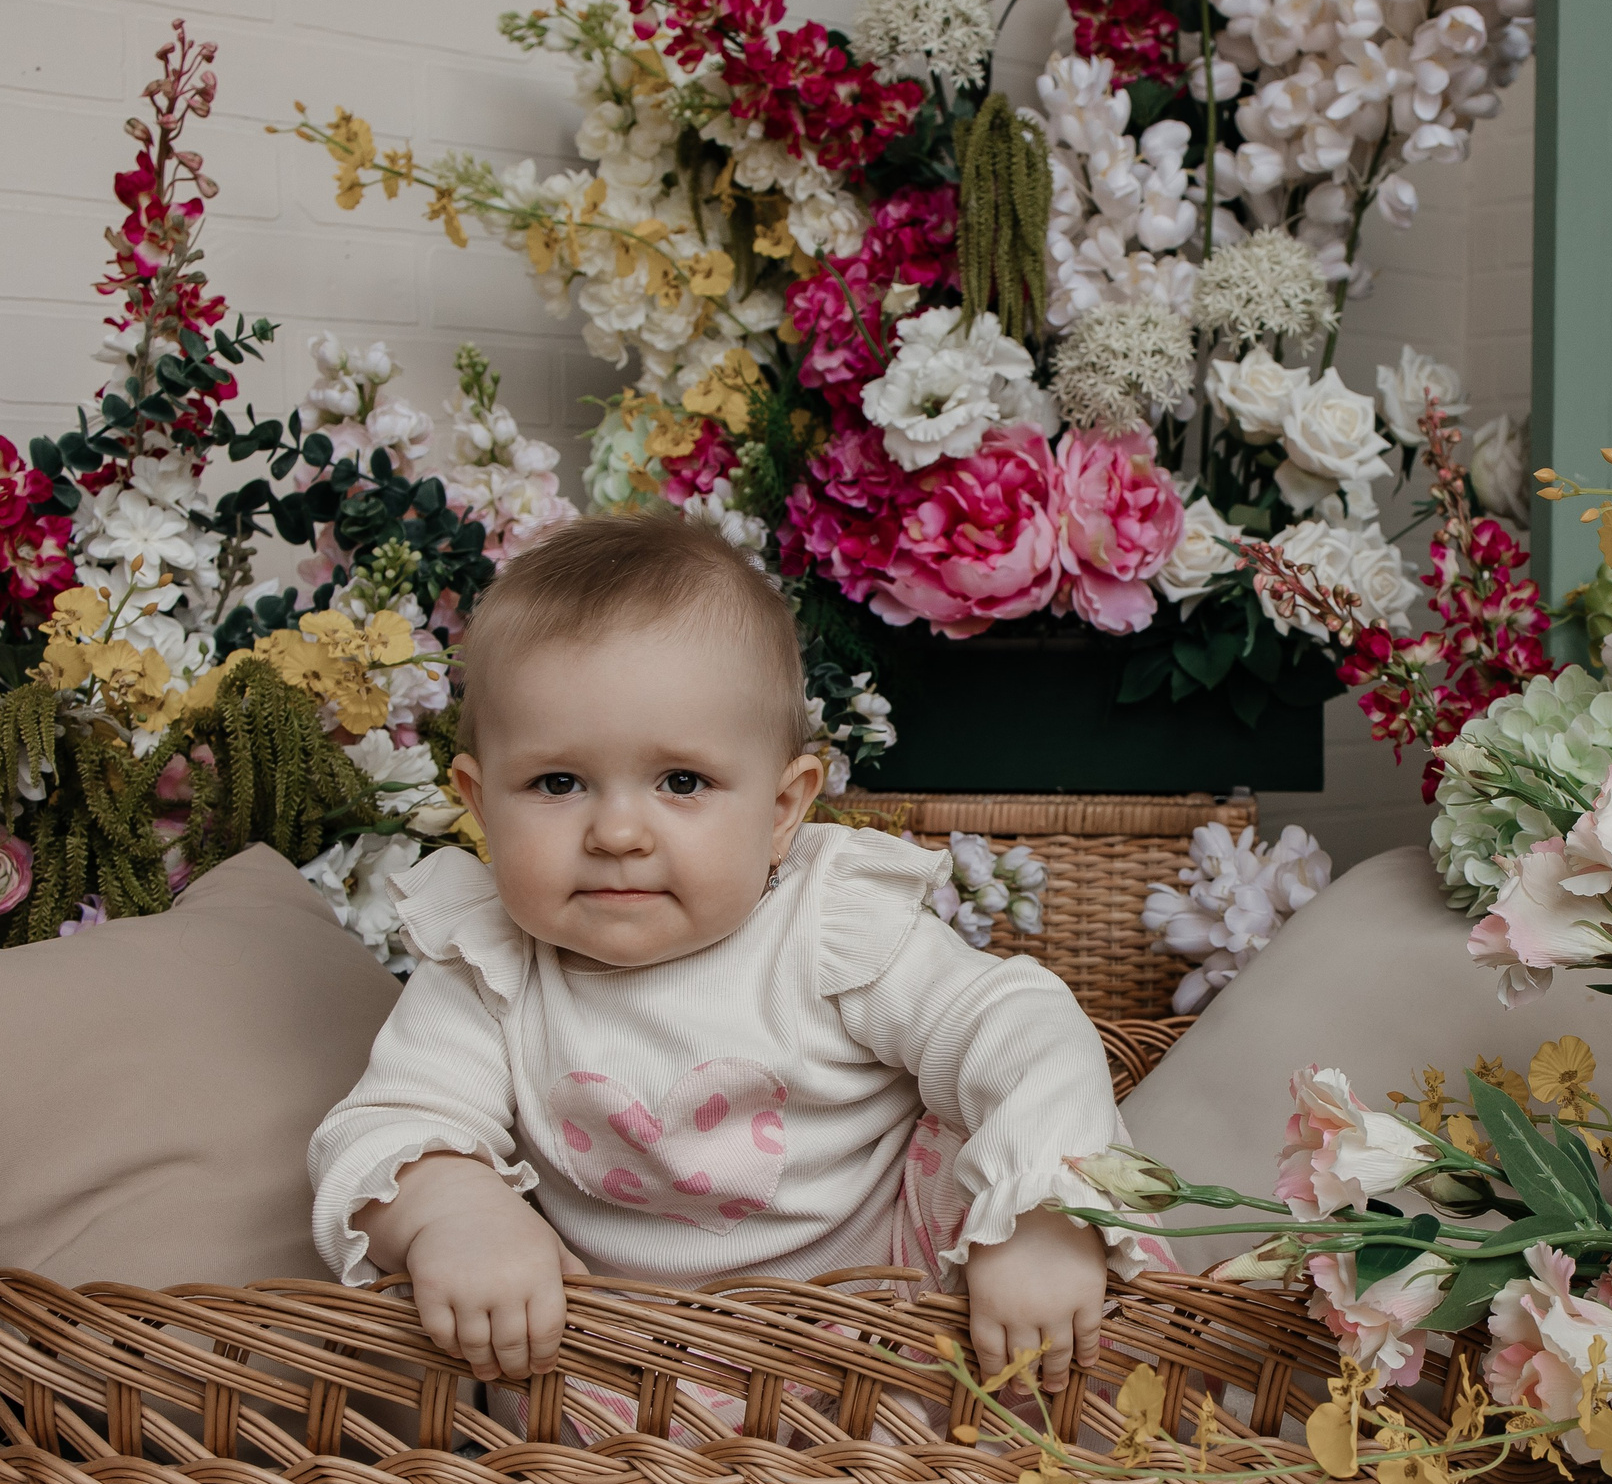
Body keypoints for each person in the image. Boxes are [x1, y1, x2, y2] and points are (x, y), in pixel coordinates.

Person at [309, 514, 1146, 1403]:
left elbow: (1021, 1025)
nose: (619, 833)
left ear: (784, 808)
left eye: (682, 782)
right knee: (495, 1341)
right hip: (621, 1377)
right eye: (558, 783)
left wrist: (1040, 1211)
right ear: (482, 804)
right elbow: (382, 1125)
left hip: (890, 1349)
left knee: (989, 1138)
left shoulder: (830, 930)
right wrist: (457, 1211)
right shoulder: (489, 969)